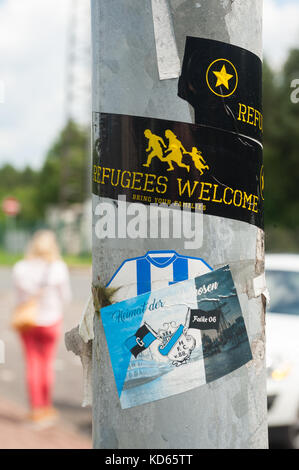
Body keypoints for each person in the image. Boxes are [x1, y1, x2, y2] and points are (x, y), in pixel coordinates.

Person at [12, 230, 71, 426]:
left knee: (32, 363)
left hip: (28, 321)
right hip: (51, 319)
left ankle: (35, 409)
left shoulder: (21, 268)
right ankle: (46, 408)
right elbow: (66, 297)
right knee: (47, 364)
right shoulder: (58, 268)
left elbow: (19, 297)